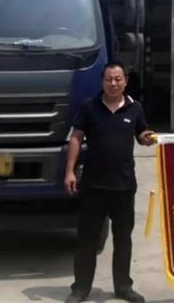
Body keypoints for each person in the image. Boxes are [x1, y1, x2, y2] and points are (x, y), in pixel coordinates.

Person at [64, 62, 155, 303]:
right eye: (108, 79)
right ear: (102, 81)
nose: (113, 83)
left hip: (124, 186)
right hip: (93, 186)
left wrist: (146, 138)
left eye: (118, 79)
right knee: (87, 240)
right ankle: (80, 289)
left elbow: (141, 134)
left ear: (125, 81)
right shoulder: (89, 106)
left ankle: (123, 287)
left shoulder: (135, 108)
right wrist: (69, 171)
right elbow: (76, 138)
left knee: (123, 239)